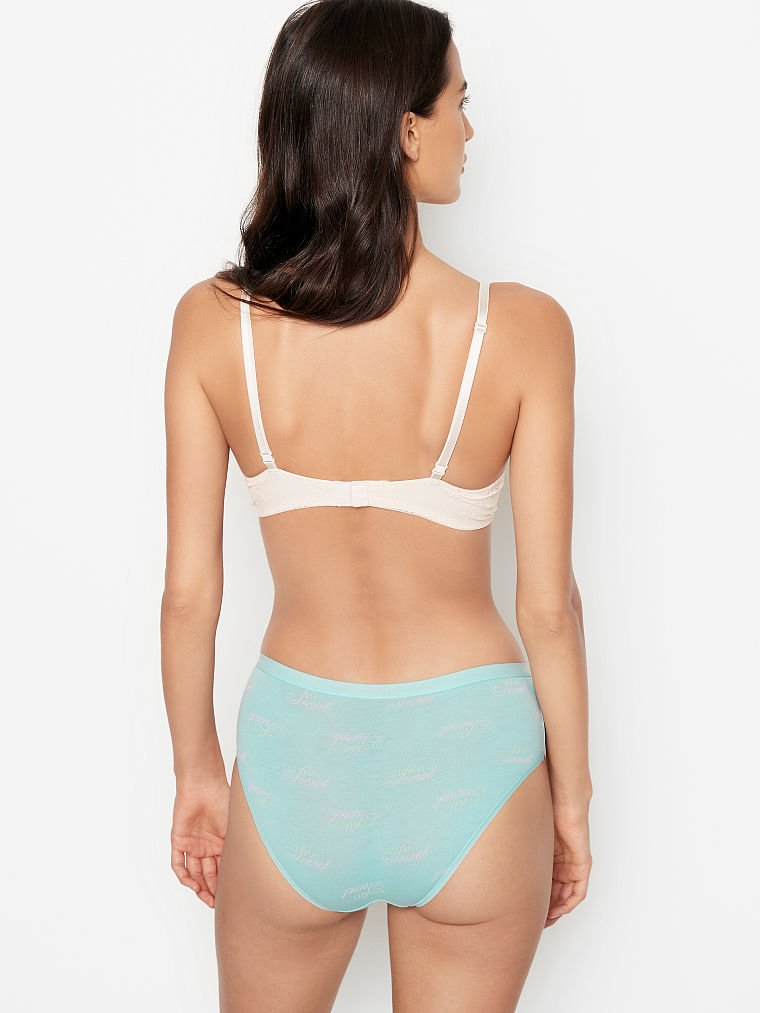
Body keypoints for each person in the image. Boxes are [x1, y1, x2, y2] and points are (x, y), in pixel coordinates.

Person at [161, 1, 592, 1009]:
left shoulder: (213, 325)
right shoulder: (523, 330)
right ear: (405, 130)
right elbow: (548, 607)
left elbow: (188, 594)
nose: (470, 130)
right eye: (458, 104)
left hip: (296, 758)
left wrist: (197, 772)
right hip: (476, 763)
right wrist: (570, 801)